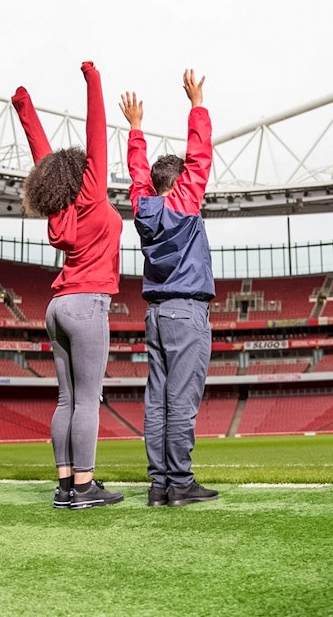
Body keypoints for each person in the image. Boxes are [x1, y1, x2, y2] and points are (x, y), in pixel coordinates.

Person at [12, 61, 124, 510]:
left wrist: (25, 108)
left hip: (57, 305)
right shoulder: (93, 191)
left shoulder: (59, 209)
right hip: (87, 304)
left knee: (66, 399)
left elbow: (43, 158)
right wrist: (94, 81)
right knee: (88, 401)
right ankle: (83, 487)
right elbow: (97, 131)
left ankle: (63, 486)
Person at [119, 69, 219, 507]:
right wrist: (197, 105)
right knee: (180, 401)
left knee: (157, 400)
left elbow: (139, 178)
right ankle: (180, 481)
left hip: (156, 315)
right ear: (179, 184)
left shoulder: (144, 208)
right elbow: (200, 159)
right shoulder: (184, 202)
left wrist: (136, 129)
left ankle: (159, 484)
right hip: (185, 312)